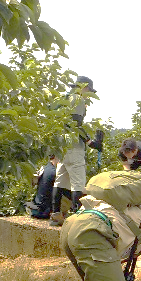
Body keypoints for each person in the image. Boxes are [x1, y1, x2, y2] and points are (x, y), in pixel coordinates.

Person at [50, 76, 101, 226]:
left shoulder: (62, 99)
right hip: (74, 147)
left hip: (62, 146)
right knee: (78, 183)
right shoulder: (78, 100)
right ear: (84, 88)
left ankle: (55, 215)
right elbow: (76, 124)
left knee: (59, 181)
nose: (88, 94)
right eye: (89, 90)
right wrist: (90, 142)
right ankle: (78, 219)